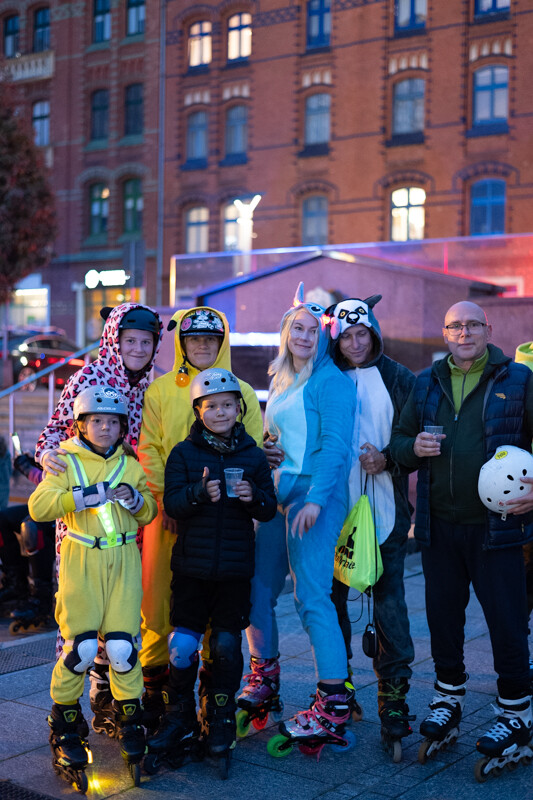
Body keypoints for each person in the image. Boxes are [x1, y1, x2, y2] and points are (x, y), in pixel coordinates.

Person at [390, 301, 533, 778]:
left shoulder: (518, 380)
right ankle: (447, 699)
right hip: (439, 527)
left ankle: (516, 713)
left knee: (507, 622)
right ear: (445, 333)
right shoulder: (425, 381)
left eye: (473, 324)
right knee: (443, 621)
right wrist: (413, 447)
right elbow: (399, 444)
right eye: (455, 325)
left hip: (499, 528)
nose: (464, 332)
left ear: (487, 330)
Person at [239, 284, 358, 755]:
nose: (304, 336)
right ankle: (263, 676)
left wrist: (317, 500)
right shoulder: (284, 378)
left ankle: (332, 702)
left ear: (323, 334)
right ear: (286, 333)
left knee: (311, 596)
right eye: (297, 329)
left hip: (315, 495)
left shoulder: (333, 381)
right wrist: (268, 448)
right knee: (256, 588)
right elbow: (277, 437)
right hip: (278, 491)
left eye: (312, 329)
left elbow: (335, 446)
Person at [34, 302, 163, 725]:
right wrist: (49, 456)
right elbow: (53, 430)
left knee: (122, 612)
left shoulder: (151, 384)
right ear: (113, 340)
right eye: (130, 341)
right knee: (83, 619)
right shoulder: (88, 377)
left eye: (147, 341)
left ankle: (116, 692)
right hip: (83, 513)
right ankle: (86, 694)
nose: (138, 349)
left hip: (129, 508)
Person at [145, 368, 276, 776]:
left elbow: (269, 508)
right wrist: (199, 493)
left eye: (227, 405)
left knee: (224, 644)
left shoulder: (253, 456)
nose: (220, 412)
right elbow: (172, 505)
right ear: (198, 411)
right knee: (183, 646)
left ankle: (218, 713)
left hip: (235, 569)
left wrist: (254, 496)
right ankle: (179, 712)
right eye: (211, 406)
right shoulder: (184, 454)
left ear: (239, 408)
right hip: (192, 568)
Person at [138, 306, 263, 727]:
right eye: (194, 339)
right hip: (169, 516)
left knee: (219, 621)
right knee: (159, 609)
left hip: (224, 520)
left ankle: (216, 699)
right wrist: (165, 502)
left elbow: (255, 449)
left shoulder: (241, 390)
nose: (203, 345)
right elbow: (149, 449)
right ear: (181, 343)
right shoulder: (159, 391)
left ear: (222, 341)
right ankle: (161, 697)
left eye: (211, 338)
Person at [28, 386, 157, 788]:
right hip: (81, 558)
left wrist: (135, 500)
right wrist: (82, 497)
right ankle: (65, 722)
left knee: (122, 647)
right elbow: (39, 507)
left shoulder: (129, 462)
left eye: (112, 421)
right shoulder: (66, 460)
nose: (105, 427)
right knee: (81, 649)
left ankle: (130, 718)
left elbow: (149, 511)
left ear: (122, 427)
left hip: (122, 560)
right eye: (96, 421)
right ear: (81, 424)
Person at [326, 295, 416, 759]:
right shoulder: (323, 375)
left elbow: (415, 438)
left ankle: (394, 695)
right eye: (347, 335)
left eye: (362, 334)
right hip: (331, 510)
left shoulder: (399, 377)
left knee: (389, 602)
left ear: (374, 333)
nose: (355, 343)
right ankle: (337, 684)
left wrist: (389, 458)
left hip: (386, 510)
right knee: (331, 601)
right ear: (335, 338)